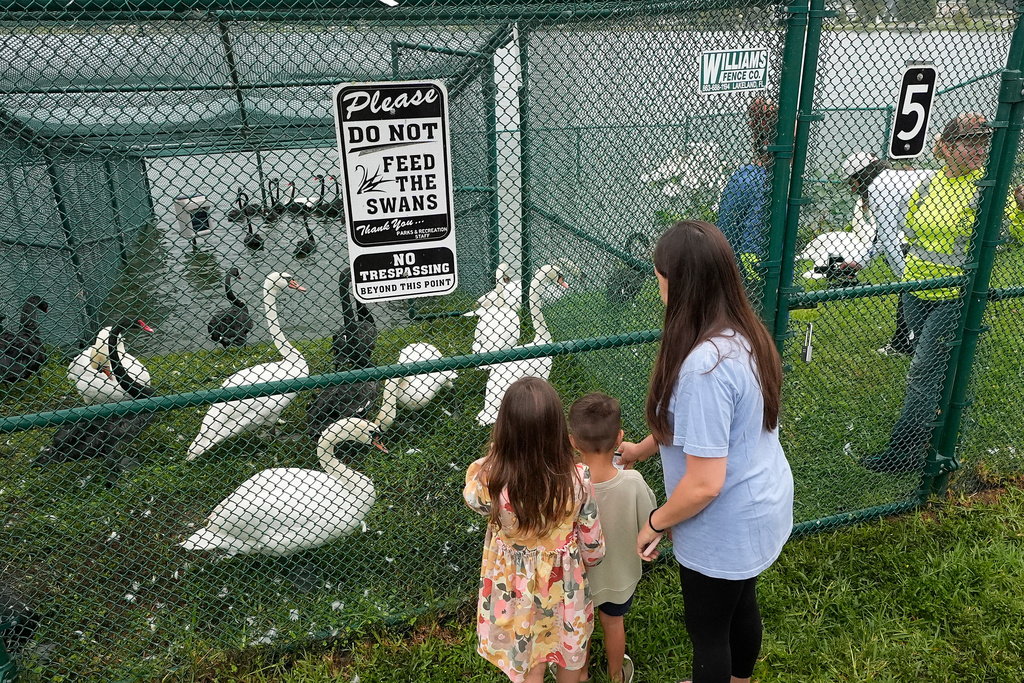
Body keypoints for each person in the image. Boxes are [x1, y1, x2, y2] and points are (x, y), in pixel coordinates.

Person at [617, 220, 794, 683]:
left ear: (677, 282)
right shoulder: (742, 332)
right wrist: (643, 448)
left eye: (659, 273)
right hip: (761, 503)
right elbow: (701, 426)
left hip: (726, 522)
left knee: (708, 629)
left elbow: (704, 483)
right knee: (741, 602)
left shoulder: (704, 366)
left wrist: (655, 522)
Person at [860, 113, 1024, 473]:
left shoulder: (988, 187)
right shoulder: (928, 185)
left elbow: (1017, 234)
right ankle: (943, 428)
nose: (980, 150)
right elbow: (913, 235)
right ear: (947, 148)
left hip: (954, 295)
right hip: (916, 290)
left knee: (922, 372)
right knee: (934, 369)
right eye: (971, 142)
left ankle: (903, 453)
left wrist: (1023, 209)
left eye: (984, 142)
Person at [463, 376, 605, 683]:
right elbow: (592, 545)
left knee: (529, 664)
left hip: (514, 588)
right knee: (568, 656)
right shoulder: (578, 479)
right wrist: (588, 562)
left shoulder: (492, 481)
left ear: (504, 430)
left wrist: (495, 455)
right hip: (564, 585)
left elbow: (472, 497)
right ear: (557, 429)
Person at [568, 393, 657, 683]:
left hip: (578, 582)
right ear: (619, 438)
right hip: (621, 577)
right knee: (614, 622)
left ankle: (580, 673)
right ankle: (616, 675)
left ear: (572, 441)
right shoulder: (633, 482)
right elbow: (652, 521)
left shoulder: (567, 486)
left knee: (583, 627)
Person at [841, 152, 936, 355]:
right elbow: (883, 236)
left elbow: (889, 239)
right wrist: (861, 261)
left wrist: (907, 279)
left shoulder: (878, 188)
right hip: (939, 240)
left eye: (852, 182)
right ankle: (908, 343)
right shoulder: (894, 178)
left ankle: (906, 345)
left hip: (932, 245)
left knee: (912, 295)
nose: (853, 189)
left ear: (860, 177)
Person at [718, 97, 778, 288]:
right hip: (753, 291)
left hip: (729, 278)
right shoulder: (766, 185)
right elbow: (751, 250)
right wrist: (764, 287)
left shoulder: (742, 175)